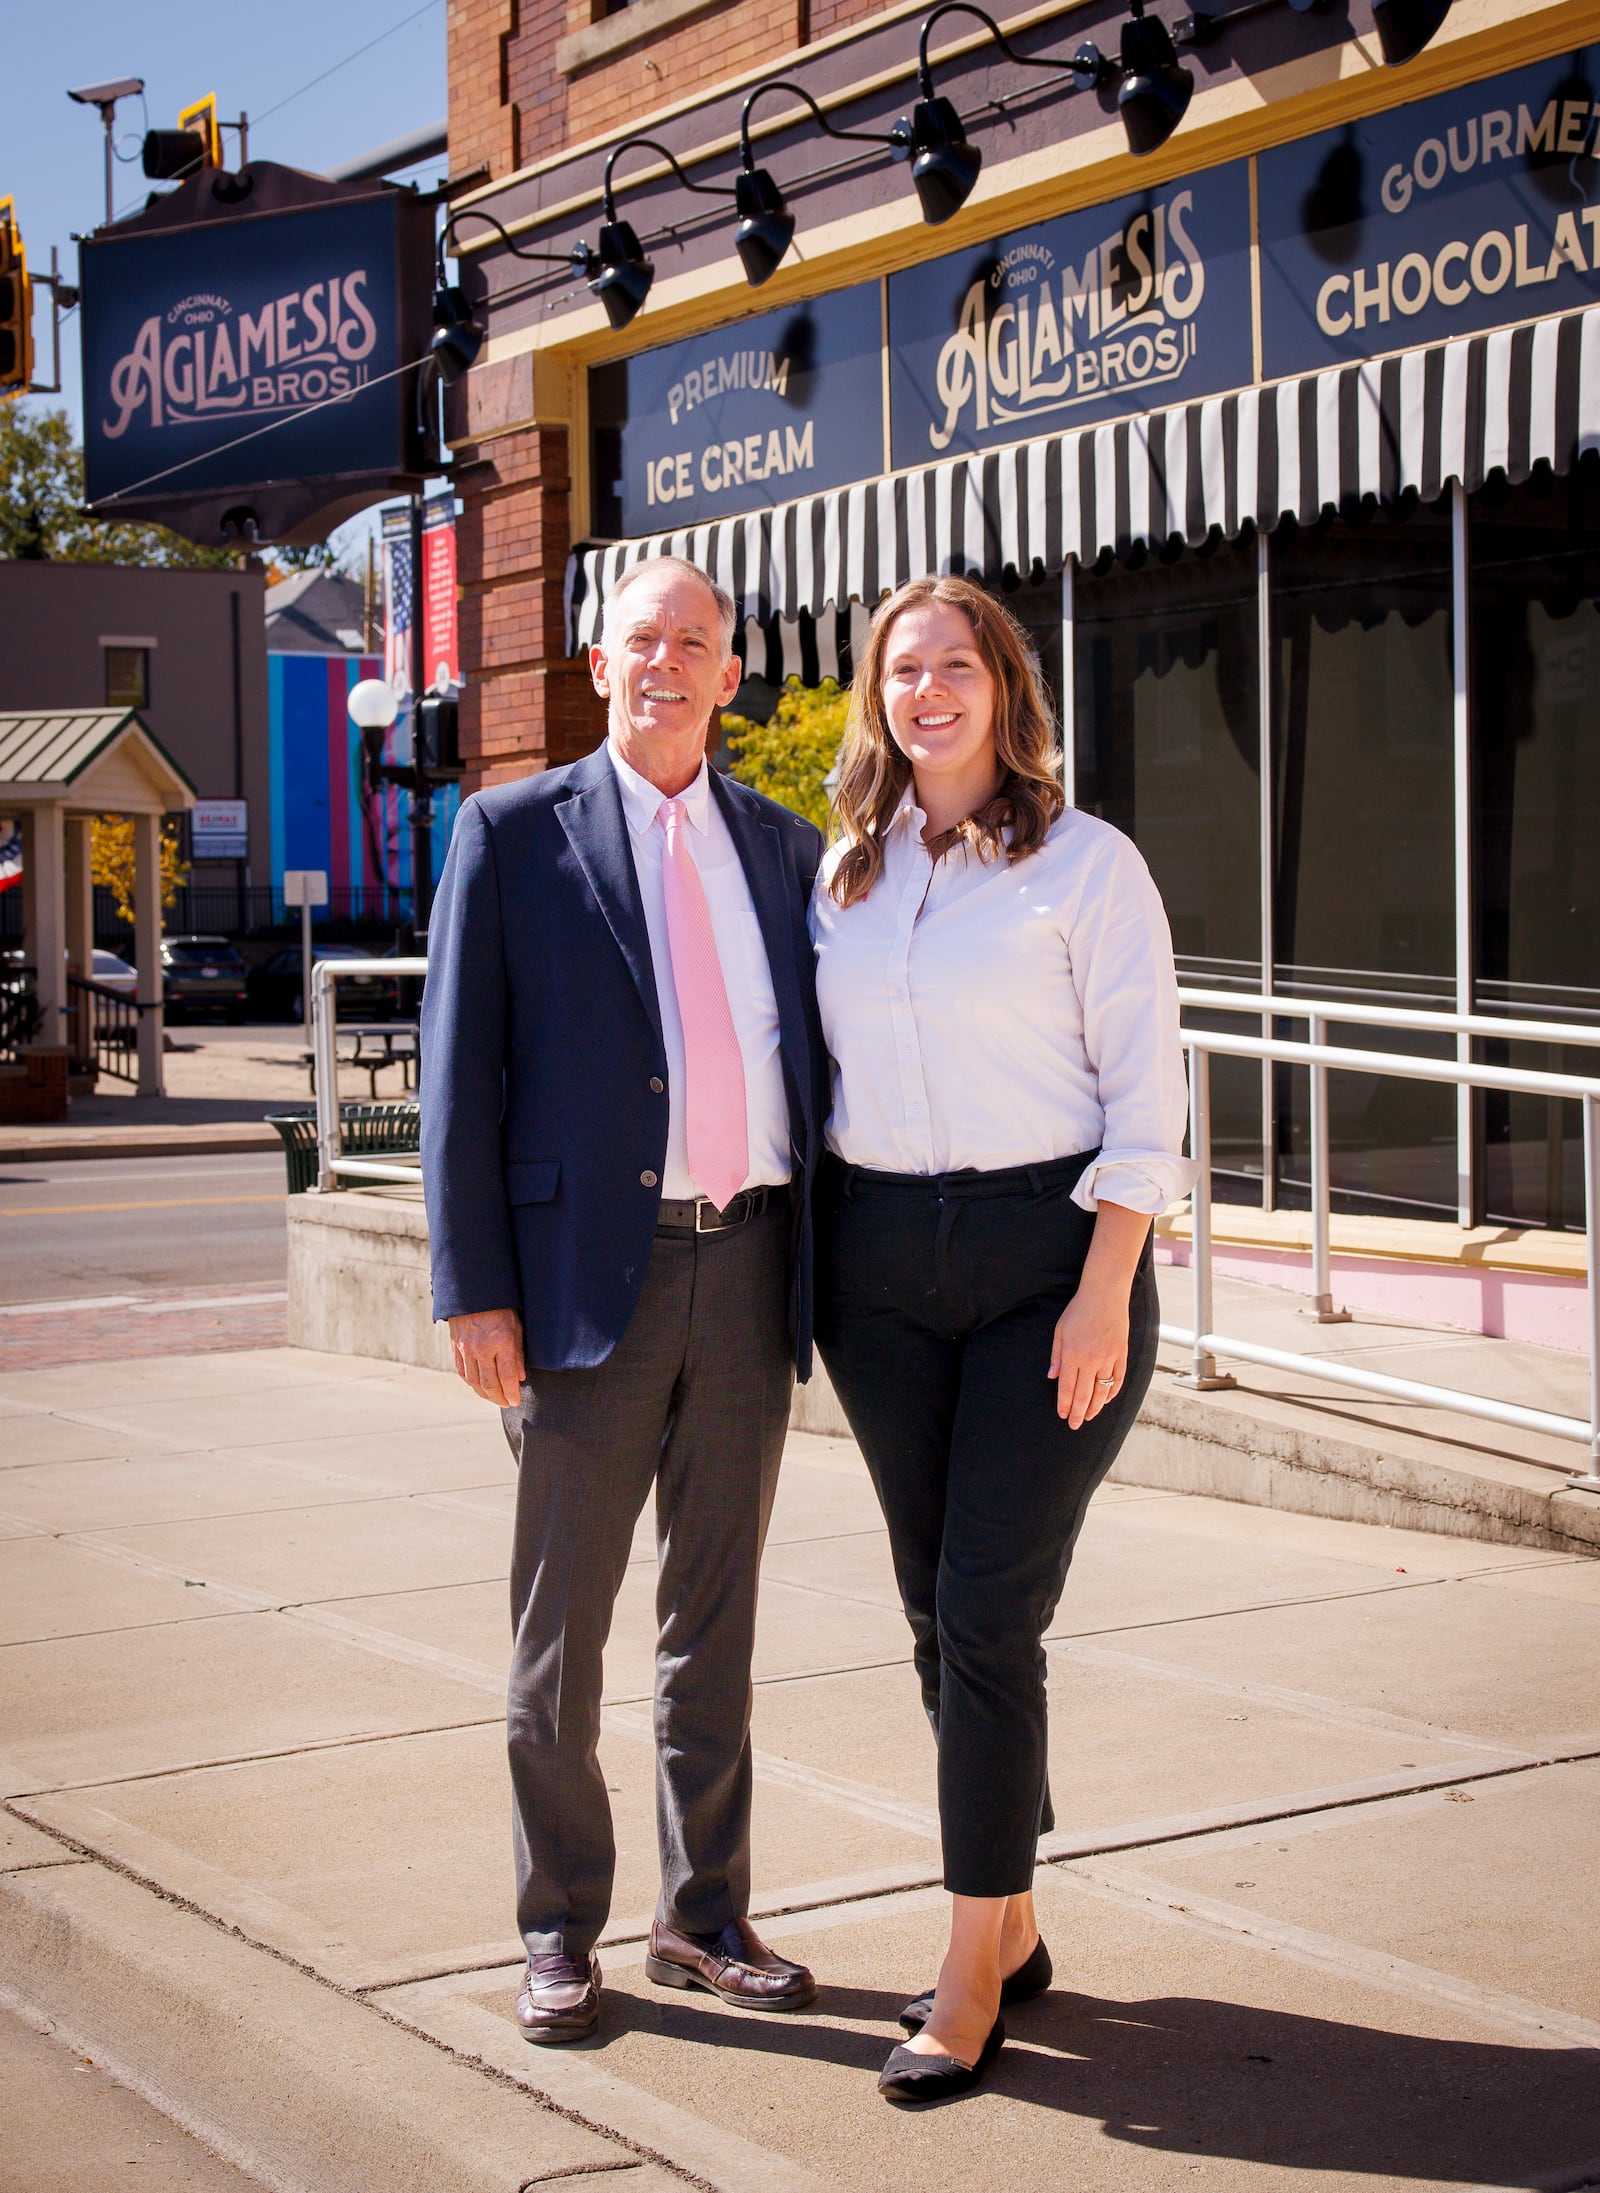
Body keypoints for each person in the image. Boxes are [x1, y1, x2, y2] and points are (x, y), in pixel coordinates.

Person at [421, 556, 828, 2044]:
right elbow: (462, 1076)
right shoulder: (509, 832)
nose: (668, 660)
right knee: (560, 1639)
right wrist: (475, 1288)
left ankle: (701, 1913)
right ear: (598, 662)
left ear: (733, 673)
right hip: (586, 1288)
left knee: (710, 1625)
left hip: (751, 1269)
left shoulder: (785, 849)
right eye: (643, 637)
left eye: (696, 641)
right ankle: (556, 1926)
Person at [809, 574, 1196, 2105]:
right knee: (933, 1604)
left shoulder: (1089, 867)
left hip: (1053, 1268)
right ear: (878, 697)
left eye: (955, 663)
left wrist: (1109, 1284)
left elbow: (1142, 1097)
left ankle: (970, 1971)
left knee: (984, 1605)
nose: (928, 690)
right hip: (881, 1272)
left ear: (1004, 687)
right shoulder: (845, 868)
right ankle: (1016, 1919)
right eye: (903, 669)